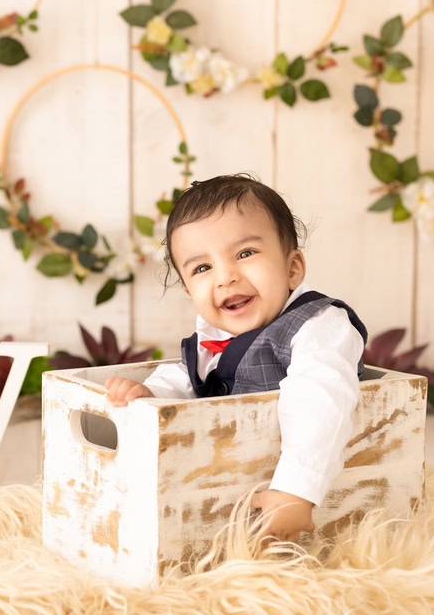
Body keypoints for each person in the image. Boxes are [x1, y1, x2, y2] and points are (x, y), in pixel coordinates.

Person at [103, 173, 368, 544]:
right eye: (202, 268)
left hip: (296, 484)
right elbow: (189, 379)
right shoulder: (215, 338)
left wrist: (296, 490)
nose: (225, 277)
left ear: (293, 267)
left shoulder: (319, 325)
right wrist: (149, 394)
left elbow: (321, 402)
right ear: (187, 289)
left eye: (245, 254)